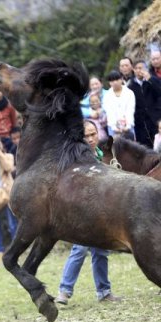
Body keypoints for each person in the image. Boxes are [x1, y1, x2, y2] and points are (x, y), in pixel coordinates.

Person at [55, 120, 122, 305]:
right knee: (80, 248)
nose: (91, 138)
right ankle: (64, 291)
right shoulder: (75, 158)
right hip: (80, 212)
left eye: (94, 134)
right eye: (87, 135)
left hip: (100, 210)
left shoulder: (102, 155)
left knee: (101, 250)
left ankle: (104, 292)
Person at [128, 60, 161, 148]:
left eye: (141, 68)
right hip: (141, 122)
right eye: (136, 68)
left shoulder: (152, 80)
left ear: (146, 69)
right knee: (145, 147)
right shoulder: (130, 86)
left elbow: (159, 91)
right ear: (133, 70)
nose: (139, 70)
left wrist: (150, 79)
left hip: (155, 119)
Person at [103, 70, 135, 139]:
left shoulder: (129, 93)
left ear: (122, 79)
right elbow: (109, 112)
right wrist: (114, 127)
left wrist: (128, 126)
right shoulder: (107, 95)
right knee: (115, 148)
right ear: (109, 82)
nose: (115, 82)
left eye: (117, 79)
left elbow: (130, 110)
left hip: (128, 127)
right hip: (113, 128)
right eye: (112, 81)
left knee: (131, 148)